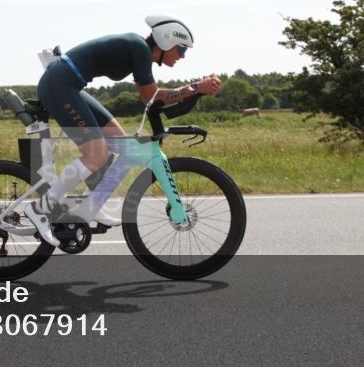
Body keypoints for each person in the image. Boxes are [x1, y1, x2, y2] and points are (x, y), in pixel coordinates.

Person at [24, 14, 222, 246]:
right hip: (59, 85)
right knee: (96, 153)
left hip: (69, 84)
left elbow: (151, 99)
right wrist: (196, 87)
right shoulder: (139, 48)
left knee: (120, 141)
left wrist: (194, 89)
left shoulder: (140, 51)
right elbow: (152, 96)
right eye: (181, 50)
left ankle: (92, 205)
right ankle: (41, 209)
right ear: (167, 41)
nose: (182, 56)